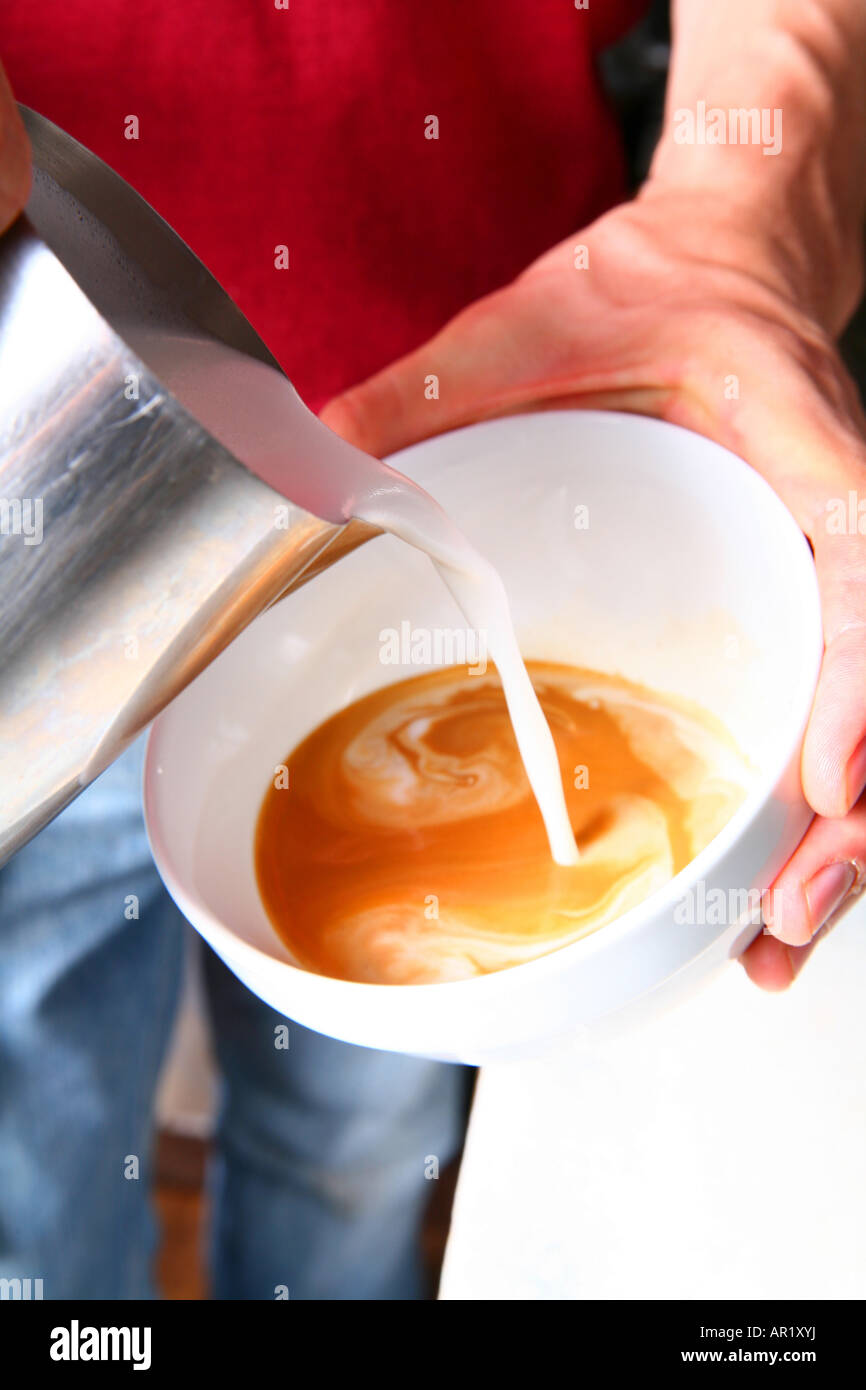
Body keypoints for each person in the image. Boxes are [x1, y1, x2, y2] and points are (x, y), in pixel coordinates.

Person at [1, 0, 865, 1298]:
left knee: (356, 1142)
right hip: (52, 489)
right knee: (35, 1128)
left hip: (526, 379)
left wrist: (736, 223)